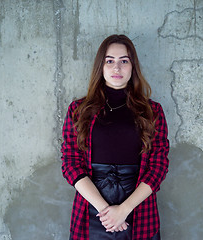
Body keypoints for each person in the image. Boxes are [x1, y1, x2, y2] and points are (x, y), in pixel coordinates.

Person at [61, 34, 169, 240]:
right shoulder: (78, 110)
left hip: (138, 210)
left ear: (133, 67)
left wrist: (123, 210)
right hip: (91, 211)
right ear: (100, 67)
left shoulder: (152, 112)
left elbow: (158, 166)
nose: (116, 68)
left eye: (124, 61)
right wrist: (106, 211)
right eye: (109, 61)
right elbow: (70, 163)